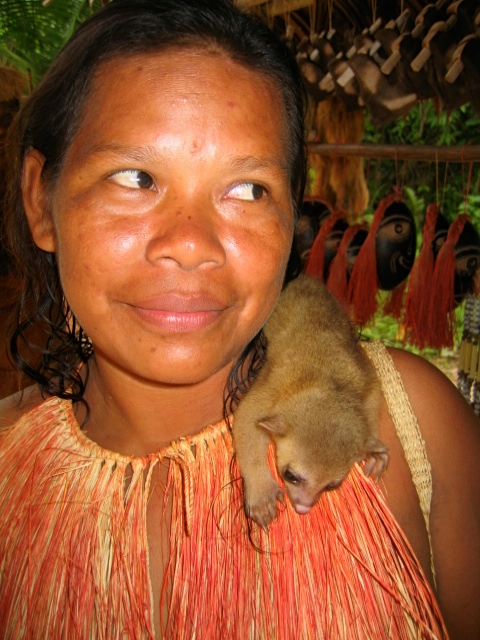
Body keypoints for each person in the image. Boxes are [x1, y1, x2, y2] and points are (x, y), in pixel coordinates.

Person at [0, 1, 479, 638]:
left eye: (249, 190)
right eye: (135, 177)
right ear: (42, 201)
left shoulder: (414, 421)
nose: (191, 242)